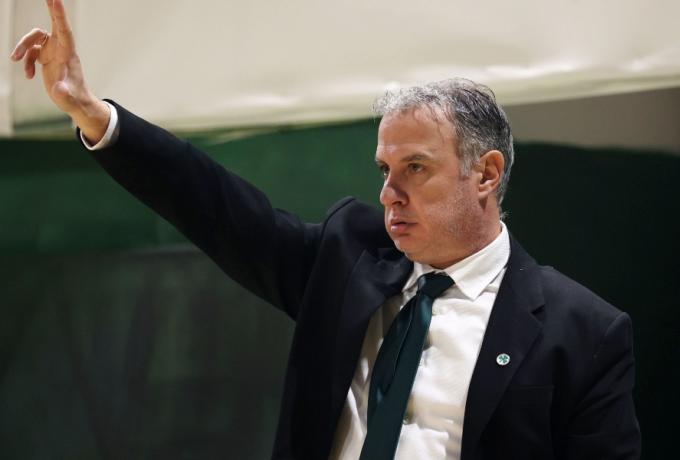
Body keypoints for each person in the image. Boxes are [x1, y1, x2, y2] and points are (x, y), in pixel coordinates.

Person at [11, 1, 641, 459]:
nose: (389, 193)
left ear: (486, 173)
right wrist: (94, 115)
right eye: (385, 169)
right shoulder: (348, 260)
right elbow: (214, 205)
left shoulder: (582, 330)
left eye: (416, 168)